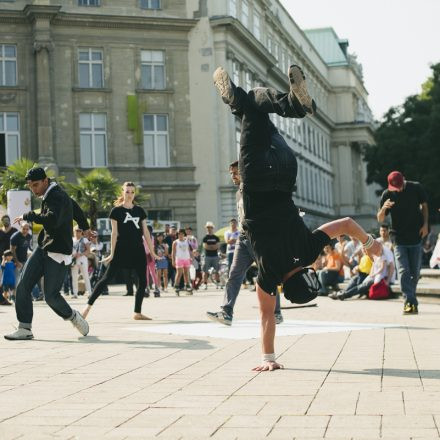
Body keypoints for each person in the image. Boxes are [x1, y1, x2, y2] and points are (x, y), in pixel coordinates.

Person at [213, 65, 382, 371]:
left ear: (307, 275)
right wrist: (268, 359)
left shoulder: (308, 250)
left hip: (285, 170)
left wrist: (370, 242)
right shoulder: (269, 275)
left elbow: (344, 224)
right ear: (284, 289)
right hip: (254, 179)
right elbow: (266, 317)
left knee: (254, 102)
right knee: (249, 109)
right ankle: (239, 100)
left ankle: (289, 104)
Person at [4, 167, 91, 340]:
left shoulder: (56, 196)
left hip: (58, 251)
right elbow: (74, 205)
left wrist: (28, 215)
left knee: (51, 296)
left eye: (36, 185)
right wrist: (86, 226)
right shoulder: (54, 194)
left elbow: (52, 219)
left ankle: (73, 316)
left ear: (45, 181)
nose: (33, 189)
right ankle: (25, 328)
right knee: (23, 285)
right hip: (43, 247)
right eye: (30, 186)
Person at [206, 161, 283, 326]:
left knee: (267, 275)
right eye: (231, 174)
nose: (232, 177)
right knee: (234, 275)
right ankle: (226, 312)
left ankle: (276, 313)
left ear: (244, 172)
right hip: (242, 239)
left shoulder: (255, 189)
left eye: (235, 173)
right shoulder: (238, 193)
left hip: (259, 238)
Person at [82, 182, 158, 320]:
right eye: (127, 191)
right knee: (106, 279)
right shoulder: (116, 211)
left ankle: (137, 312)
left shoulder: (139, 211)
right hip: (121, 249)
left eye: (132, 192)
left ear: (134, 193)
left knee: (143, 281)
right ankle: (87, 308)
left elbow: (145, 232)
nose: (129, 194)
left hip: (138, 250)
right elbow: (114, 233)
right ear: (122, 192)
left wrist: (152, 252)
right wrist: (112, 253)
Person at [377, 171, 428, 314]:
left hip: (416, 237)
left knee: (415, 273)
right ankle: (409, 302)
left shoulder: (416, 187)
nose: (398, 190)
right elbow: (380, 219)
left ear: (403, 180)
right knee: (403, 271)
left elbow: (424, 206)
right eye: (395, 188)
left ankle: (411, 299)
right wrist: (383, 209)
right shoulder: (387, 194)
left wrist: (425, 225)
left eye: (399, 186)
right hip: (398, 239)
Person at [71, 226, 92, 299]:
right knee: (74, 277)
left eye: (79, 231)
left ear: (82, 232)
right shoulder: (72, 240)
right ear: (74, 231)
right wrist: (72, 255)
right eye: (76, 230)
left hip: (82, 258)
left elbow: (88, 251)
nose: (78, 232)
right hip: (74, 259)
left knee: (85, 276)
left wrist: (80, 254)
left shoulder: (85, 240)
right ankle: (75, 294)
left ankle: (90, 292)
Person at [171, 229, 193, 295]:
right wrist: (173, 260)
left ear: (184, 234)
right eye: (179, 234)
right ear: (177, 235)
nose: (180, 235)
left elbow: (189, 250)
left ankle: (187, 286)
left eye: (182, 234)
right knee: (179, 273)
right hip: (179, 259)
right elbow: (173, 252)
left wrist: (191, 257)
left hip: (186, 258)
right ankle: (176, 286)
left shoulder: (187, 241)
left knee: (186, 273)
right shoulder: (175, 242)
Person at [143, 225, 161, 297]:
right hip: (146, 255)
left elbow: (154, 247)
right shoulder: (150, 237)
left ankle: (155, 287)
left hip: (150, 255)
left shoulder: (147, 237)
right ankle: (147, 287)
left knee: (152, 272)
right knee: (147, 273)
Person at [202, 222, 220, 289]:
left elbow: (217, 246)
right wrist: (212, 246)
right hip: (207, 256)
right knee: (205, 271)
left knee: (216, 271)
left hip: (215, 256)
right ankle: (205, 284)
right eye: (207, 227)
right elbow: (205, 246)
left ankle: (217, 284)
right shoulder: (205, 238)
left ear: (212, 228)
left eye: (210, 227)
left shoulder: (216, 237)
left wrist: (210, 246)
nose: (209, 229)